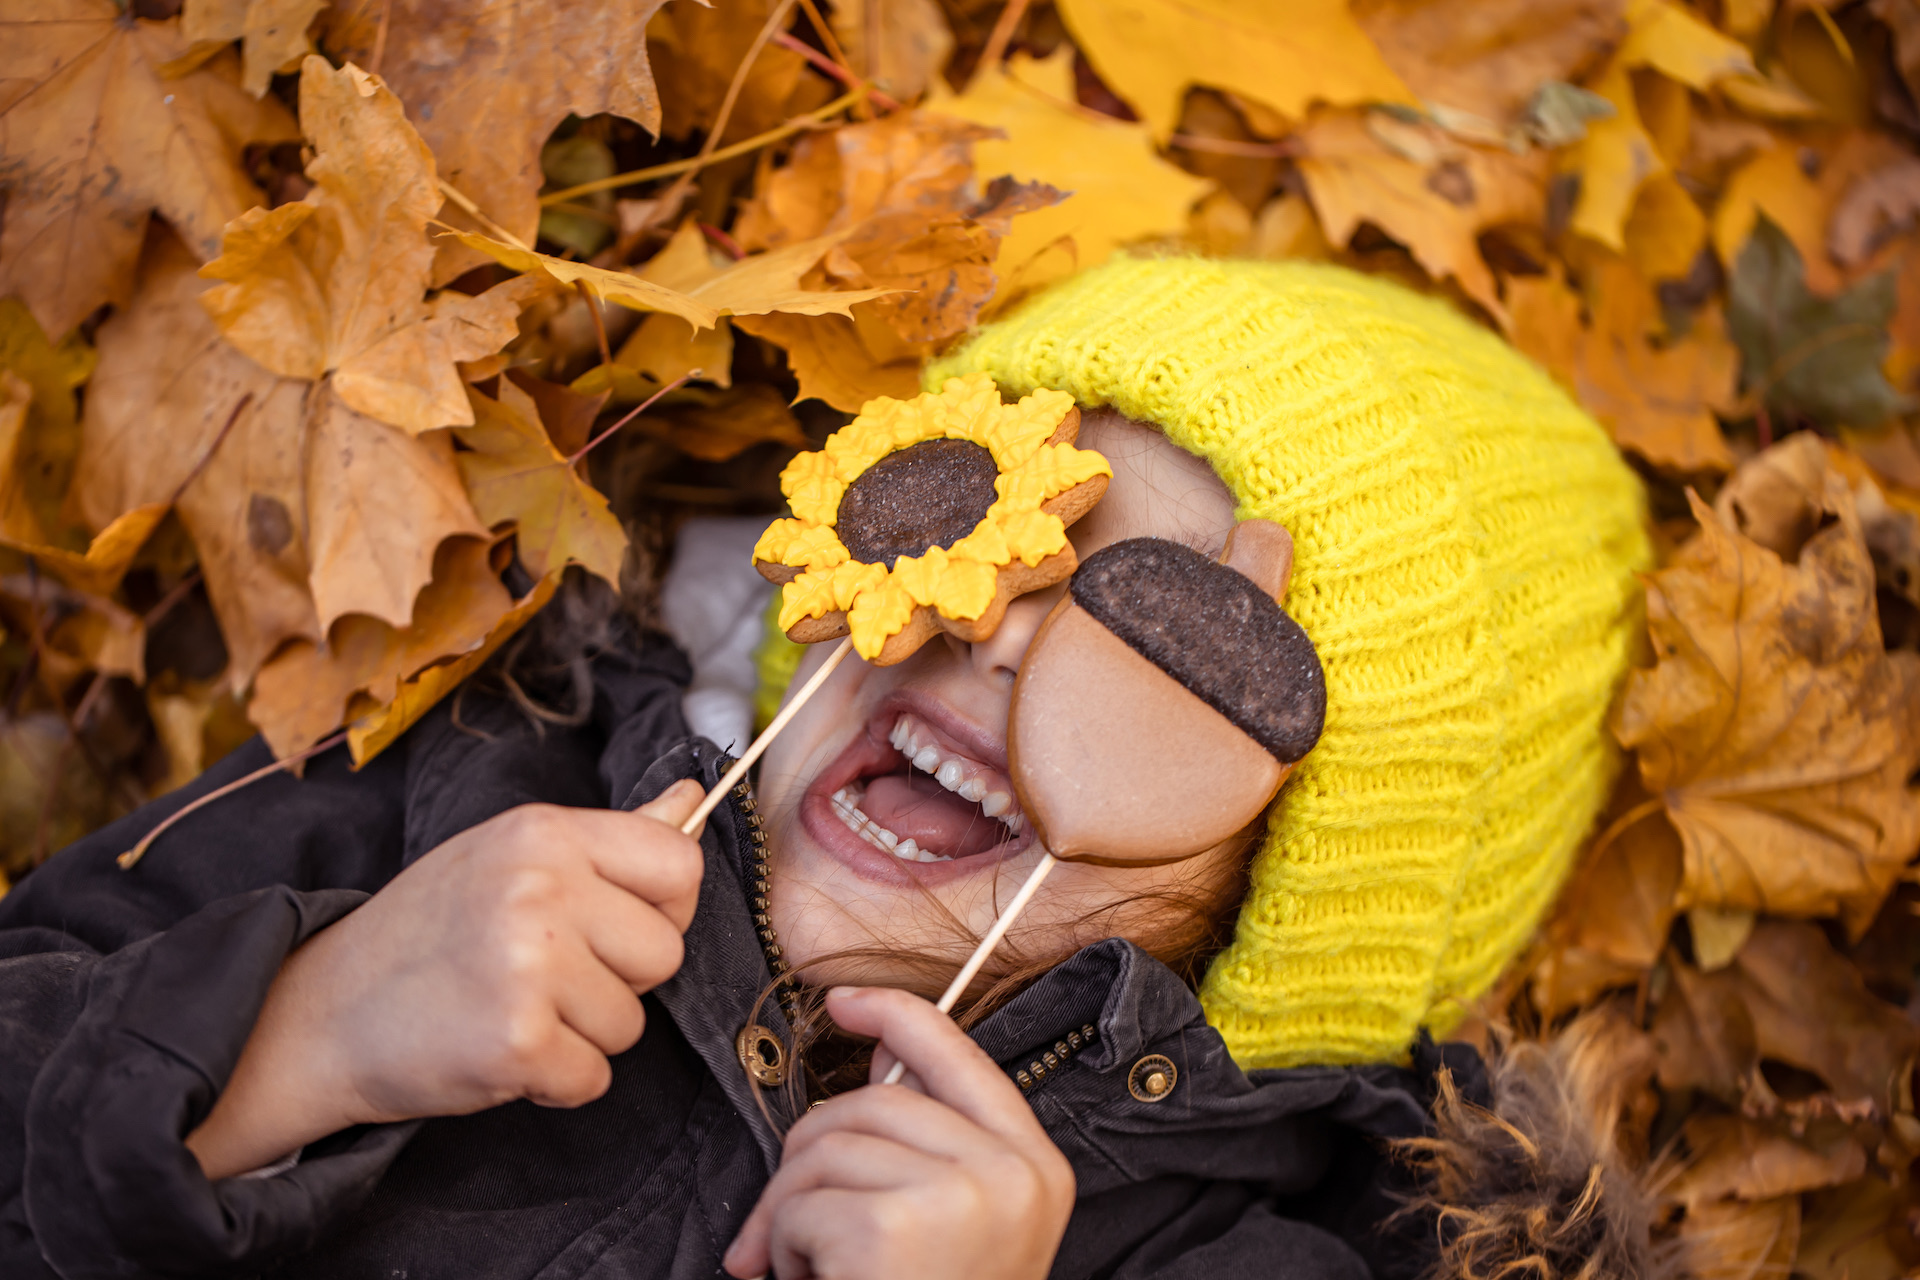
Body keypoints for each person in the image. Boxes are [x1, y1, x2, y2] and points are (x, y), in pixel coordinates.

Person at [0, 257, 1650, 1280]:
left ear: (1306, 902)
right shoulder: (476, 790)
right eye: (976, 522)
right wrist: (287, 1047)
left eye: (1178, 651)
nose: (1000, 634)